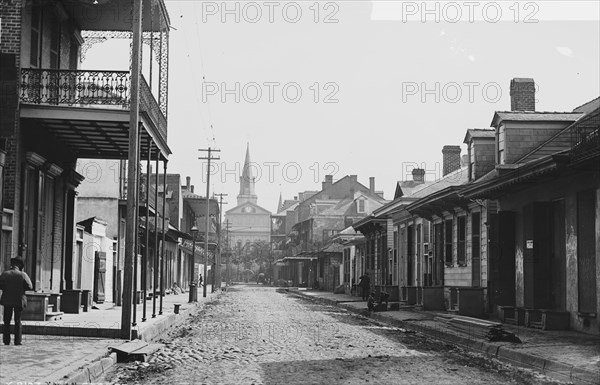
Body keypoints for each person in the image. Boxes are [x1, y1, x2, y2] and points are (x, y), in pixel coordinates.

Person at [0, 257, 33, 346]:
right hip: (19, 300)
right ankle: (17, 341)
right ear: (19, 265)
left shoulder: (5, 274)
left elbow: (0, 285)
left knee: (6, 321)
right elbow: (30, 286)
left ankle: (6, 341)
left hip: (7, 300)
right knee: (18, 320)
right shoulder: (23, 275)